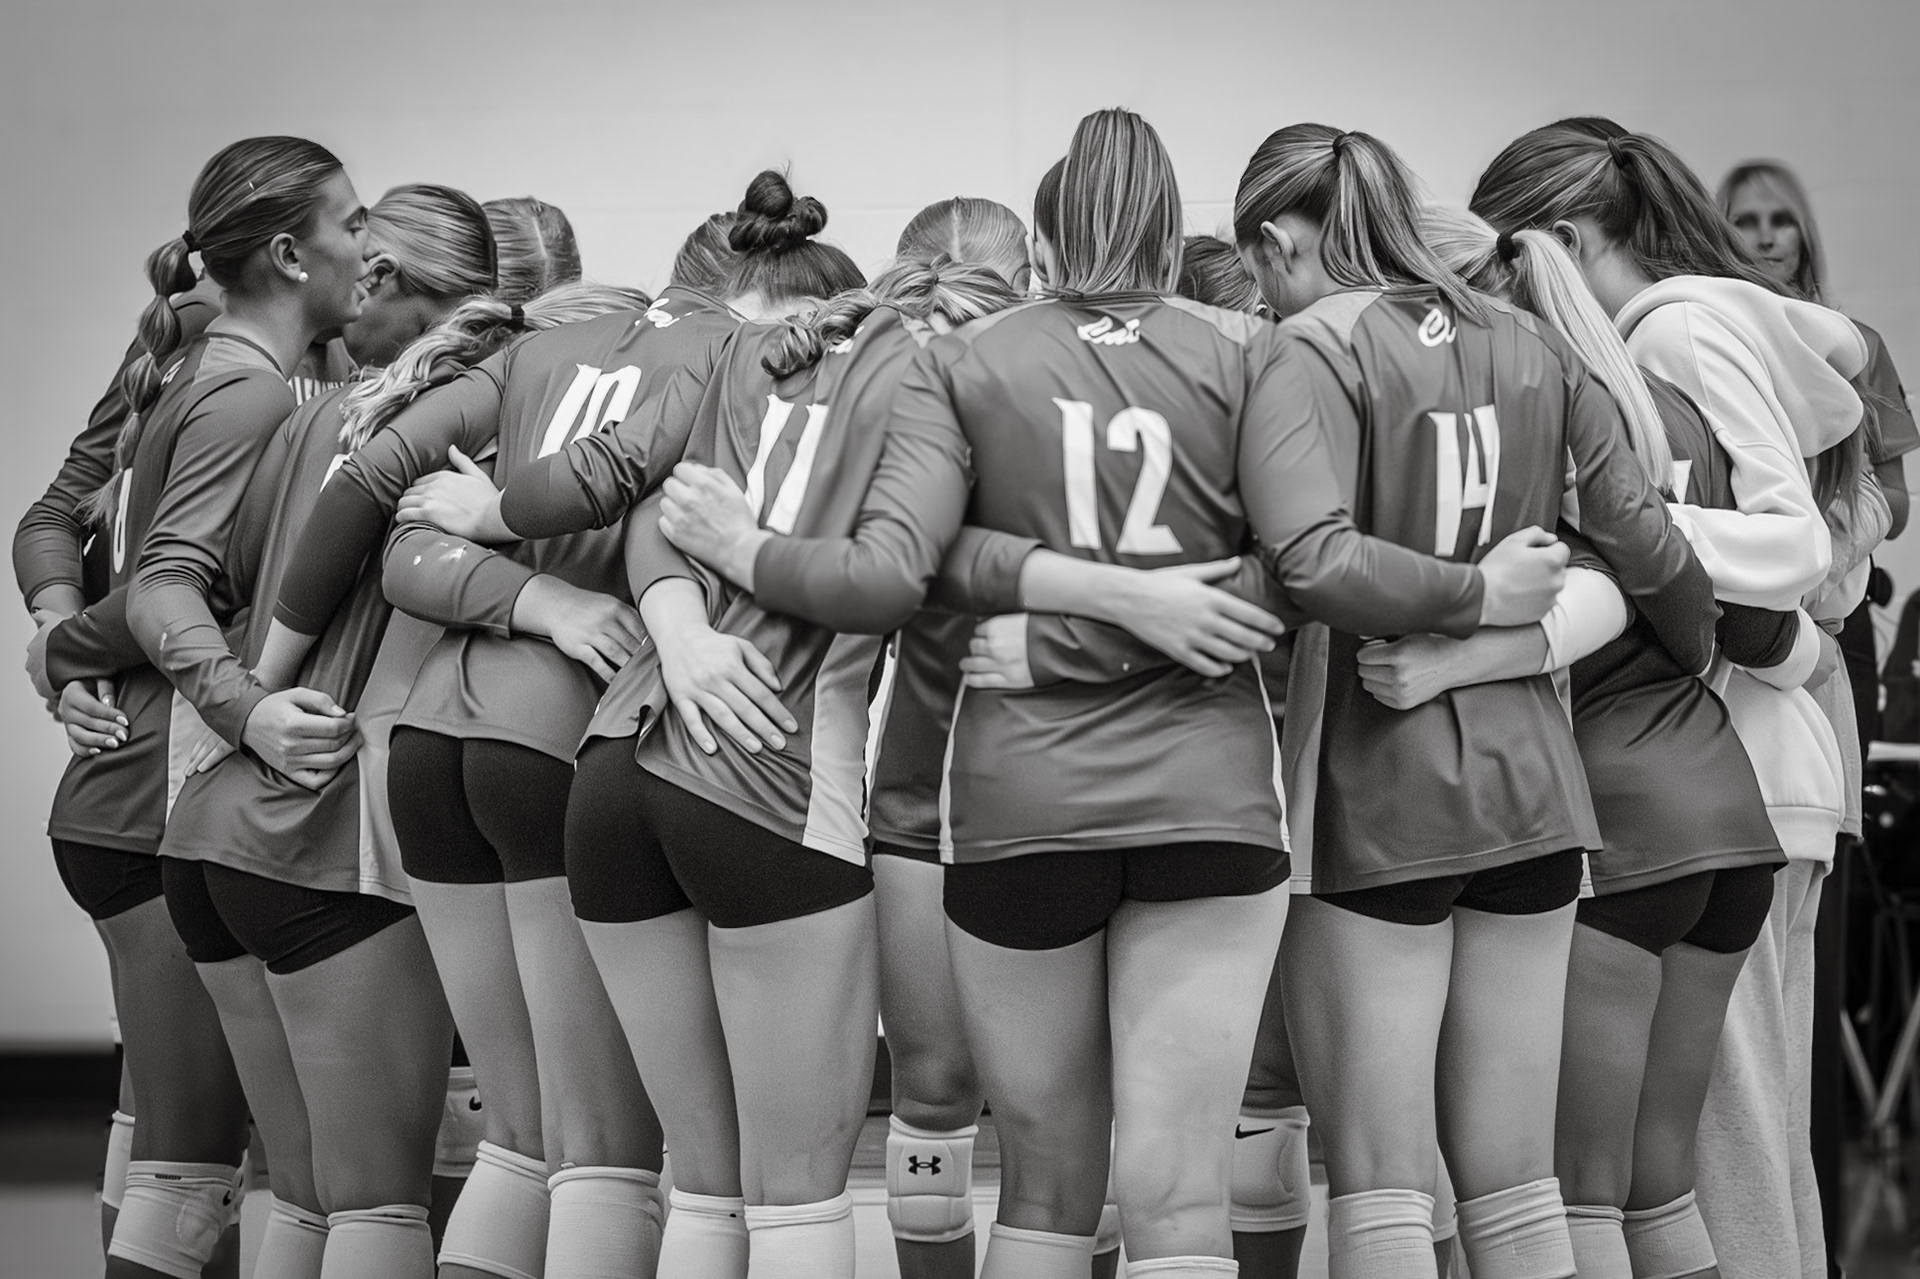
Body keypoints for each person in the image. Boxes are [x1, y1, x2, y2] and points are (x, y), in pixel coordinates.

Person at [654, 107, 1578, 1279]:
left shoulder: (967, 357)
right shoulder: (1251, 351)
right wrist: (1160, 614)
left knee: (1043, 1182)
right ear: (1176, 225)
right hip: (1213, 801)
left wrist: (1053, 635)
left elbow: (911, 572)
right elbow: (1303, 570)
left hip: (1014, 803)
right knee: (1180, 1194)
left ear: (1045, 241)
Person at [266, 169, 861, 1279]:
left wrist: (255, 688)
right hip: (567, 748)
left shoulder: (538, 350)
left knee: (520, 1139)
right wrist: (568, 598)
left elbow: (386, 516)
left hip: (430, 747)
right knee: (613, 1153)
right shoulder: (731, 361)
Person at [1226, 123, 1717, 1279]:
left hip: (1374, 790)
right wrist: (1673, 643)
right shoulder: (1528, 337)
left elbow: (1312, 565)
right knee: (1518, 1191)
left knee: (1387, 1188)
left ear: (1276, 241)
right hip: (1535, 791)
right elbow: (1641, 546)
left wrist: (1465, 600)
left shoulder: (1312, 346)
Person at [1471, 119, 1875, 1279]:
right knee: (1702, 1173)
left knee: (1674, 1174)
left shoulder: (1669, 339)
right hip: (1738, 791)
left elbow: (1782, 564)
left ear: (1553, 241)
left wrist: (1618, 524)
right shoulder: (1691, 341)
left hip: (1694, 795)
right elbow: (1769, 606)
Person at [1403, 205, 1791, 1278]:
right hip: (1724, 815)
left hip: (1617, 835)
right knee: (1658, 1182)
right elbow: (1761, 621)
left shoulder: (1519, 427)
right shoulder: (1670, 412)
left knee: (1577, 1196)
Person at [34, 136, 372, 1279]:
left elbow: (109, 569)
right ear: (287, 251)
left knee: (179, 1164)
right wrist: (246, 710)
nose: (367, 247)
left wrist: (56, 645)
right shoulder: (242, 386)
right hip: (144, 798)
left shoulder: (208, 363)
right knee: (191, 1171)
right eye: (353, 222)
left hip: (125, 791)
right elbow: (162, 585)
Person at [1719, 154, 1914, 1279]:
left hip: (1813, 652)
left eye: (1778, 219)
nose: (1760, 236)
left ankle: (1820, 1249)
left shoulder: (1850, 346)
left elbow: (1880, 512)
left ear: (1804, 235)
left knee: (1804, 984)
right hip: (1739, 660)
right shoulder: (1711, 347)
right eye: (1740, 219)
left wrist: (1822, 557)